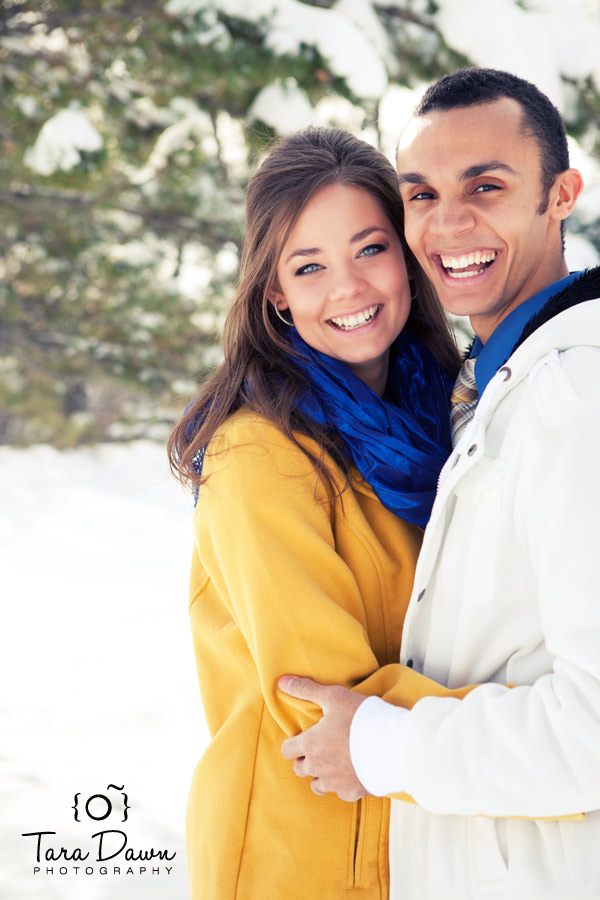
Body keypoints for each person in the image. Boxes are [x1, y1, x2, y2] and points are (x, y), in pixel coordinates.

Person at [279, 69, 600, 899]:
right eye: (420, 195)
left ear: (561, 193)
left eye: (486, 186)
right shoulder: (492, 389)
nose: (448, 224)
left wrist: (382, 747)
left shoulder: (579, 402)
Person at [168, 126, 477, 899]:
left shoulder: (446, 421)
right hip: (301, 857)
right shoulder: (261, 458)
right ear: (276, 292)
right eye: (309, 267)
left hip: (417, 840)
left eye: (370, 249)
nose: (349, 289)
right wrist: (536, 726)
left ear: (406, 257)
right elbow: (321, 703)